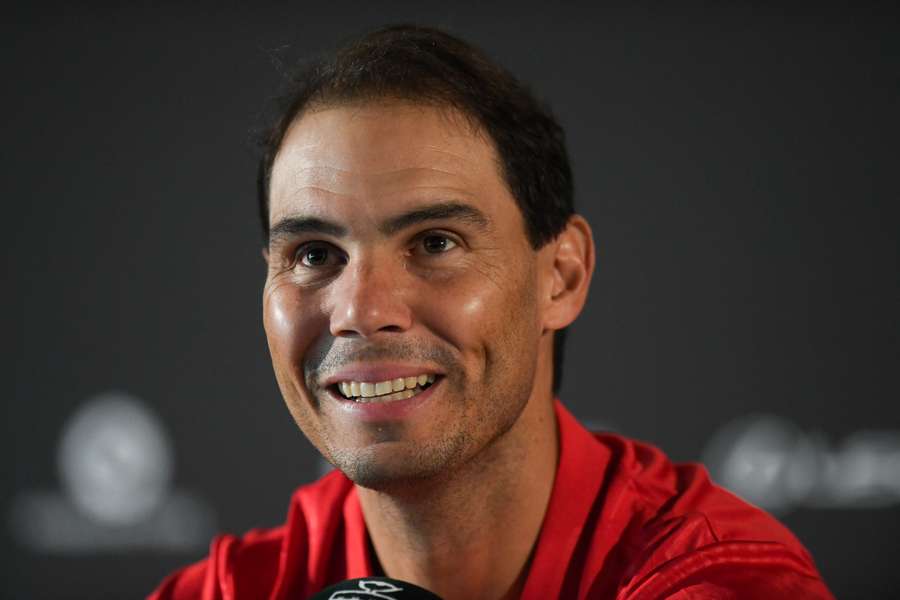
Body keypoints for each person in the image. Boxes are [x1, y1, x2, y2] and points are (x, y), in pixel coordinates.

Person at [150, 24, 834, 600]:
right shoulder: (232, 589)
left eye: (435, 243)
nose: (360, 310)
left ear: (560, 277)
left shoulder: (717, 580)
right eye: (314, 254)